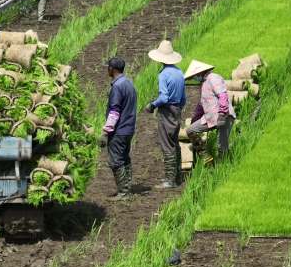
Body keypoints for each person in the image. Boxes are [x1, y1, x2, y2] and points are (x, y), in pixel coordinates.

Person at [144, 40, 186, 189]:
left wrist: (152, 105)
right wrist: (178, 109)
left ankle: (169, 180)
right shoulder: (179, 72)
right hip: (177, 110)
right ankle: (178, 175)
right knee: (174, 142)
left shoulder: (163, 74)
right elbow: (183, 98)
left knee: (167, 144)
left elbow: (164, 98)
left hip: (167, 111)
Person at [99, 58, 137, 201]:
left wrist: (105, 132)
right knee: (125, 158)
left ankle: (123, 192)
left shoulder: (117, 87)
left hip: (119, 130)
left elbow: (114, 112)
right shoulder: (129, 83)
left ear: (112, 69)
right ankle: (127, 188)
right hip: (129, 128)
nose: (107, 70)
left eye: (108, 67)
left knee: (115, 161)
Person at [184, 60, 236, 158]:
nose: (194, 78)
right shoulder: (203, 83)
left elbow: (223, 95)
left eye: (194, 76)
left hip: (224, 117)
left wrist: (222, 114)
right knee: (191, 130)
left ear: (200, 72)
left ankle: (223, 167)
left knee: (221, 147)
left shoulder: (213, 78)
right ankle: (205, 156)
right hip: (211, 118)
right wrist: (194, 120)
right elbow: (201, 106)